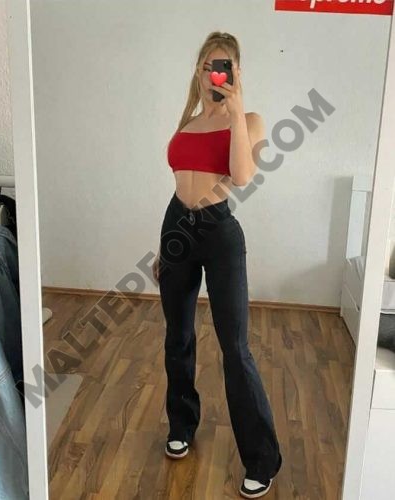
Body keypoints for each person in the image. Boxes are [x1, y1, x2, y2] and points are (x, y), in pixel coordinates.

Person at [153, 31, 283, 499]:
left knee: (235, 347)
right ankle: (182, 425)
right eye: (209, 64)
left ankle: (262, 458)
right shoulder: (187, 122)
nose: (216, 73)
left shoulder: (249, 119)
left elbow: (243, 176)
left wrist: (235, 107)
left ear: (237, 71)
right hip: (176, 226)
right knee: (178, 335)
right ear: (199, 69)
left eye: (224, 66)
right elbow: (179, 184)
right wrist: (165, 248)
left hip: (219, 231)